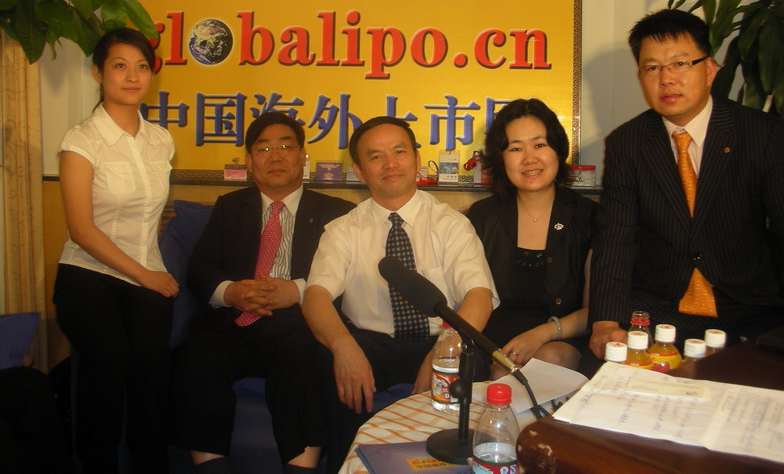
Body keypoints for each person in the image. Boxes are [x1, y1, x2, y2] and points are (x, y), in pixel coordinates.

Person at [588, 9, 784, 366]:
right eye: (652, 68)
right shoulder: (627, 143)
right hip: (658, 308)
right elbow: (616, 237)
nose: (666, 79)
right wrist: (605, 321)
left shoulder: (760, 133)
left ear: (710, 69)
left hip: (749, 307)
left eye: (680, 63)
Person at [302, 116, 498, 473]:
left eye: (399, 151)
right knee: (326, 360)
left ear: (417, 160)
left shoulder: (451, 224)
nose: (390, 163)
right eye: (375, 156)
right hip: (372, 343)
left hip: (443, 339)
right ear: (360, 171)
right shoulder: (343, 230)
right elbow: (315, 295)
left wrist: (445, 350)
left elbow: (478, 295)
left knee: (471, 362)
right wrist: (343, 346)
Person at [171, 112, 354, 474]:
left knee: (304, 352)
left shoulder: (338, 212)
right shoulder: (230, 207)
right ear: (249, 161)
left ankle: (300, 469)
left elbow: (353, 277)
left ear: (302, 155)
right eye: (264, 148)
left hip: (299, 326)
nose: (276, 156)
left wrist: (298, 291)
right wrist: (231, 292)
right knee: (198, 351)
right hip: (235, 325)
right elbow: (200, 268)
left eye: (286, 146)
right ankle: (211, 467)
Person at [53, 28, 176, 474]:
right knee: (109, 362)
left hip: (146, 274)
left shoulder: (161, 140)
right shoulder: (81, 141)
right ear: (98, 73)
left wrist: (149, 272)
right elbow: (82, 229)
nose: (132, 76)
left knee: (153, 373)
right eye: (120, 66)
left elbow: (152, 212)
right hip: (88, 274)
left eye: (142, 66)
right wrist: (145, 276)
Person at [467, 99, 596, 373]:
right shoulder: (482, 217)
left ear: (558, 150)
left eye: (539, 145)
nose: (529, 159)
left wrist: (541, 334)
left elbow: (598, 308)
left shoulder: (590, 217)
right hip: (492, 343)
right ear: (501, 158)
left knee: (549, 360)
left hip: (560, 339)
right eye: (515, 148)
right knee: (499, 371)